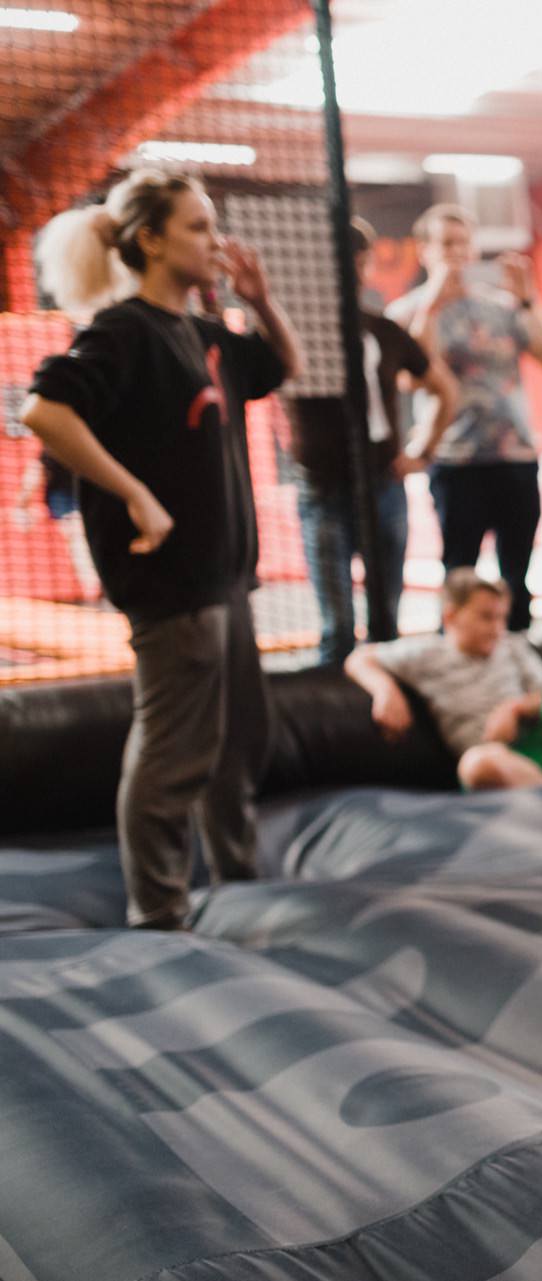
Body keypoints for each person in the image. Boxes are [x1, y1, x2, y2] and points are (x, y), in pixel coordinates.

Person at [21, 169, 303, 929]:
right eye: (199, 228)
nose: (216, 242)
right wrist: (135, 492)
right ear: (150, 240)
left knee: (237, 745)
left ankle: (237, 882)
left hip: (224, 580)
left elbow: (280, 369)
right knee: (174, 756)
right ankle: (159, 914)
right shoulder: (122, 331)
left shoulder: (201, 333)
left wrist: (261, 301)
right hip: (172, 586)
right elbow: (44, 411)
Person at [283, 216, 458, 665]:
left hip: (383, 483)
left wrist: (422, 449)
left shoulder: (382, 330)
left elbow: (444, 389)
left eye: (358, 263)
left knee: (386, 619)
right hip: (323, 487)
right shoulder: (297, 329)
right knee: (336, 628)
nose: (352, 272)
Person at [388, 204, 542, 633]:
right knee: (459, 571)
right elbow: (409, 378)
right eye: (447, 243)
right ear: (425, 250)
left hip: (515, 456)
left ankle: (519, 656)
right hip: (456, 461)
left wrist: (528, 298)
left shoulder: (501, 308)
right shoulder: (408, 311)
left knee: (516, 577)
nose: (457, 253)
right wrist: (433, 301)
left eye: (464, 243)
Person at [344, 570, 542, 790]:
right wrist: (385, 691)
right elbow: (359, 658)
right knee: (476, 764)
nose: (497, 628)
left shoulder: (509, 644)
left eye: (501, 618)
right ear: (451, 617)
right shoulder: (425, 654)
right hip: (501, 764)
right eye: (486, 618)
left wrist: (515, 709)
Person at [9, 447, 99, 600]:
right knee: (78, 540)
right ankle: (93, 587)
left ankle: (94, 586)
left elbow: (35, 472)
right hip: (71, 503)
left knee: (79, 541)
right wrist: (22, 504)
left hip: (86, 501)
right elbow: (36, 471)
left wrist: (22, 505)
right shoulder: (54, 448)